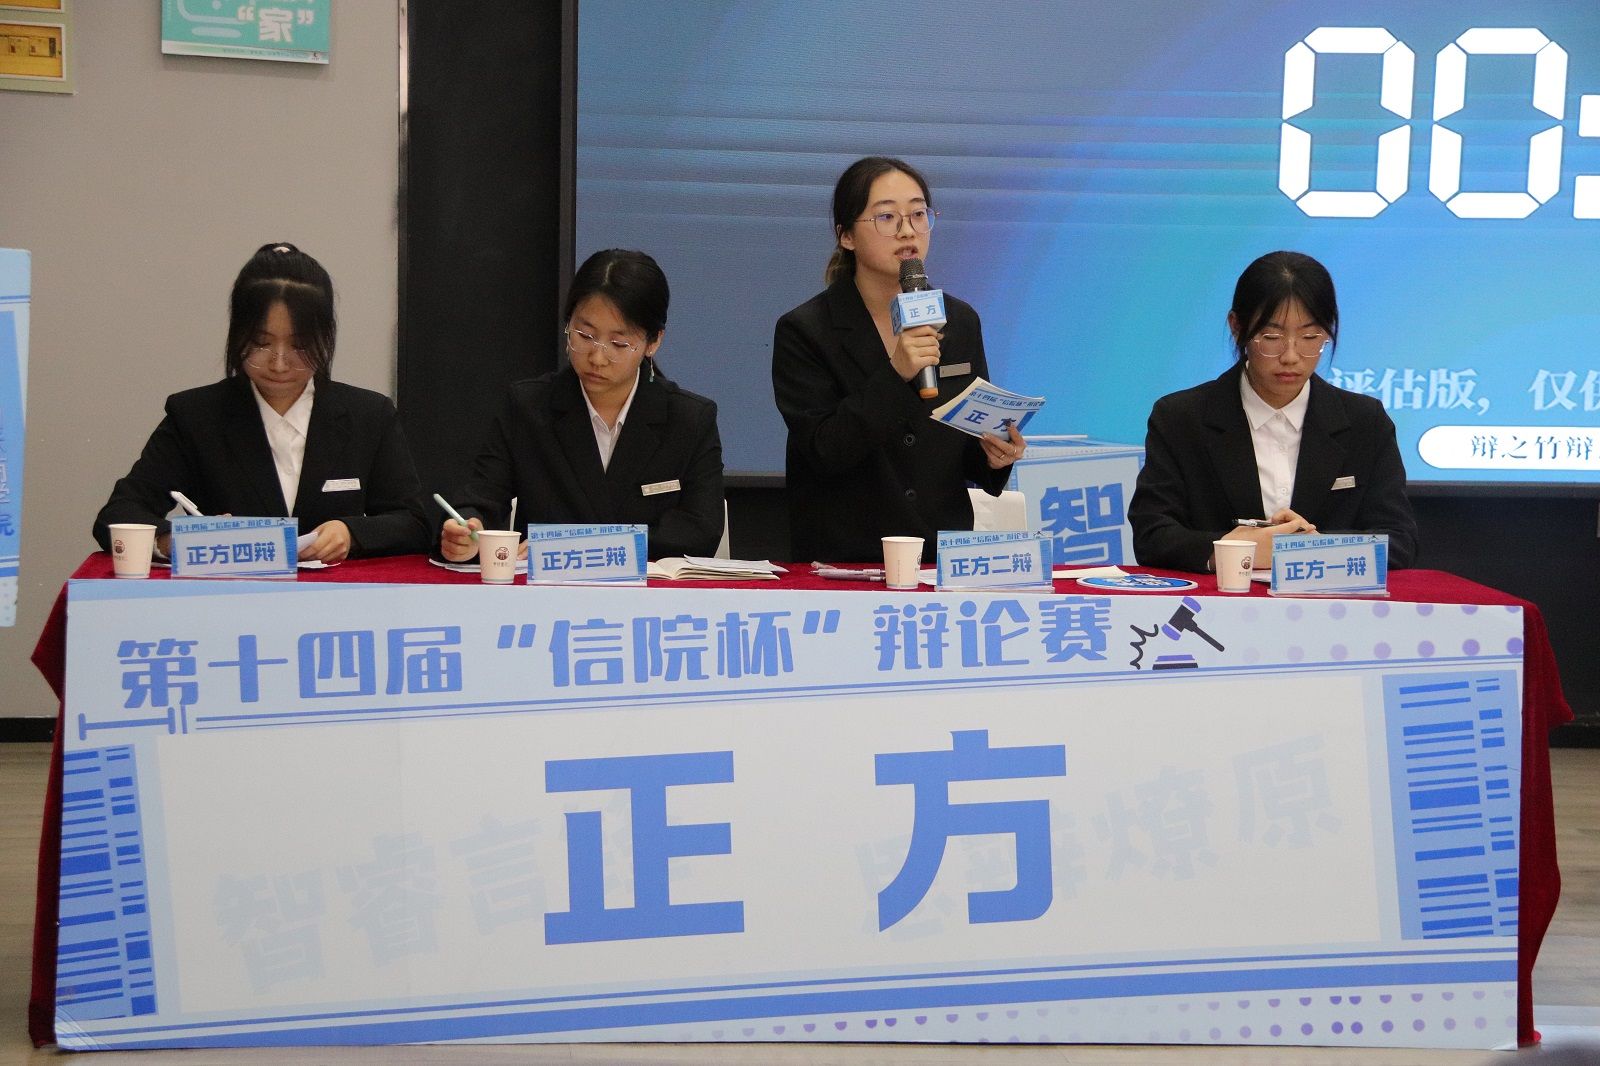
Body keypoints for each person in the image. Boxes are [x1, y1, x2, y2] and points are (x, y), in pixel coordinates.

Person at [93, 242, 430, 563]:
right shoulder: (196, 416)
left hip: (336, 598)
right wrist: (182, 540)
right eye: (261, 343)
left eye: (300, 345)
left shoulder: (368, 415)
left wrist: (351, 533)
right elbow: (118, 515)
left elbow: (413, 522)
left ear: (325, 337)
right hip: (229, 597)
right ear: (237, 334)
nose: (279, 363)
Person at [772, 156, 1024, 563]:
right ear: (846, 236)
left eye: (918, 214)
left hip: (939, 557)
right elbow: (825, 451)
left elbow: (964, 447)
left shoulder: (959, 320)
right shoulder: (806, 330)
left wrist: (995, 456)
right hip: (845, 559)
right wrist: (896, 374)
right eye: (887, 217)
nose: (908, 231)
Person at [1129, 250, 1418, 573]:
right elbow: (1152, 535)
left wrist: (1317, 551)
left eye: (1310, 337)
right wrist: (1235, 551)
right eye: (1271, 337)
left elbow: (1400, 540)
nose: (1291, 356)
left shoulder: (1365, 421)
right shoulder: (1181, 418)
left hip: (1328, 601)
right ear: (1237, 327)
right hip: (1220, 602)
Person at [439, 249, 724, 561]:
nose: (597, 357)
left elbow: (699, 532)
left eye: (618, 344)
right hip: (546, 590)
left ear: (653, 342)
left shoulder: (689, 420)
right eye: (585, 335)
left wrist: (578, 547)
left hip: (648, 589)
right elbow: (481, 498)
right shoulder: (529, 407)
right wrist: (467, 530)